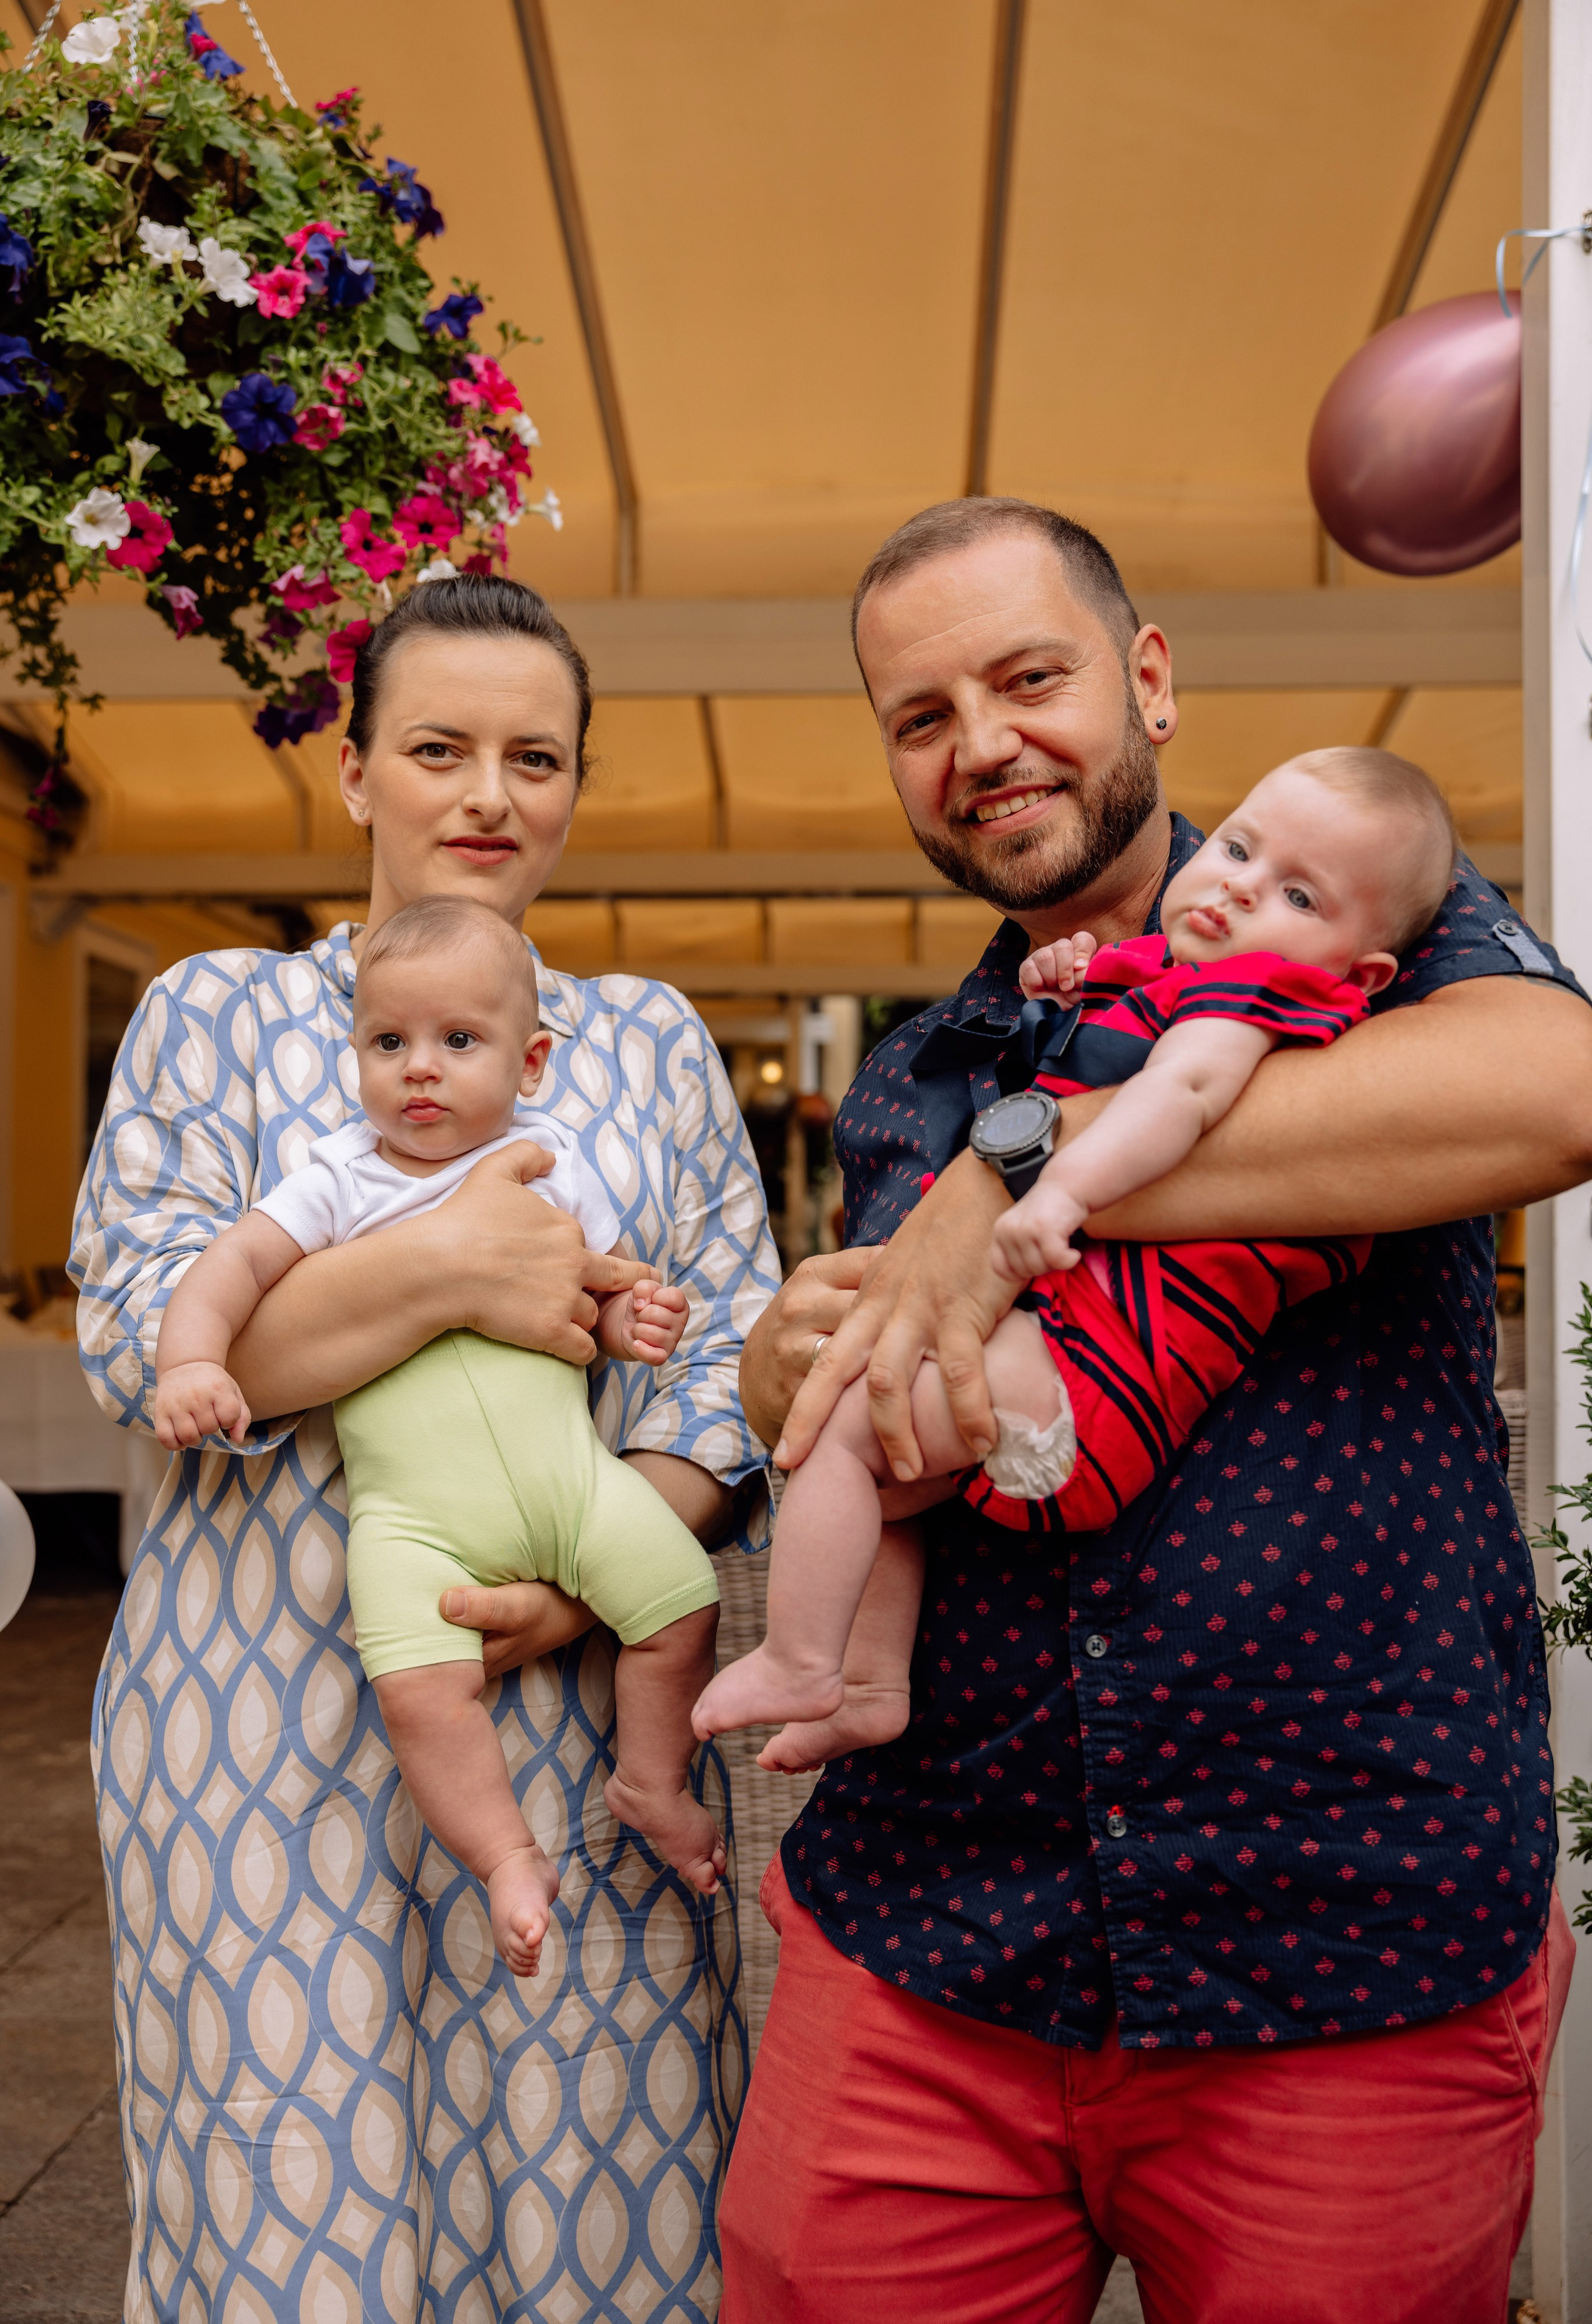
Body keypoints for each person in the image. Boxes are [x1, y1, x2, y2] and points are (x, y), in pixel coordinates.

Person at [719, 496, 1590, 2324]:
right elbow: (865, 1356)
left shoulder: (1365, 908)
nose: (983, 744)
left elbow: (1554, 1081)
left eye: (1028, 677)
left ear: (1149, 678)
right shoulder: (915, 1066)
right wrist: (778, 1363)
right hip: (928, 1937)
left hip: (1347, 1926)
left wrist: (1010, 1182)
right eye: (921, 714)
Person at [72, 575, 780, 2324]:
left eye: (534, 757)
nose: (488, 793)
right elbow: (142, 1337)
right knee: (283, 2189)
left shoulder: (647, 1043)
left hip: (566, 1715)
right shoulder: (216, 1011)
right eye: (439, 746)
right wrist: (448, 1265)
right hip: (251, 1712)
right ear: (357, 769)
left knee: (594, 2191)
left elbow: (727, 1380)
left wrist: (586, 1571)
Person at [695, 748, 1452, 1770]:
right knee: (882, 1470)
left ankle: (801, 1657)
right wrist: (1072, 980)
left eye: (1297, 893)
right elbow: (1120, 1025)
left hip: (1087, 1388)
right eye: (1236, 847)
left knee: (846, 1429)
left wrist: (1054, 1186)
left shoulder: (1257, 1003)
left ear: (1358, 969)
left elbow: (1175, 1097)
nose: (1238, 883)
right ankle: (868, 1682)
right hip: (1083, 1381)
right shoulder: (1183, 980)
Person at [152, 893, 726, 1974]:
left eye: (458, 1041)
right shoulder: (340, 1177)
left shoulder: (554, 1165)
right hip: (412, 1520)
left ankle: (653, 1777)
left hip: (573, 1483)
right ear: (355, 1052)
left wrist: (629, 1321)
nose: (419, 1067)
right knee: (420, 1693)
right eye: (388, 1041)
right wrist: (191, 1359)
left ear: (530, 1062)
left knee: (679, 1607)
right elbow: (227, 1267)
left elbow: (590, 1295)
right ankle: (504, 1850)